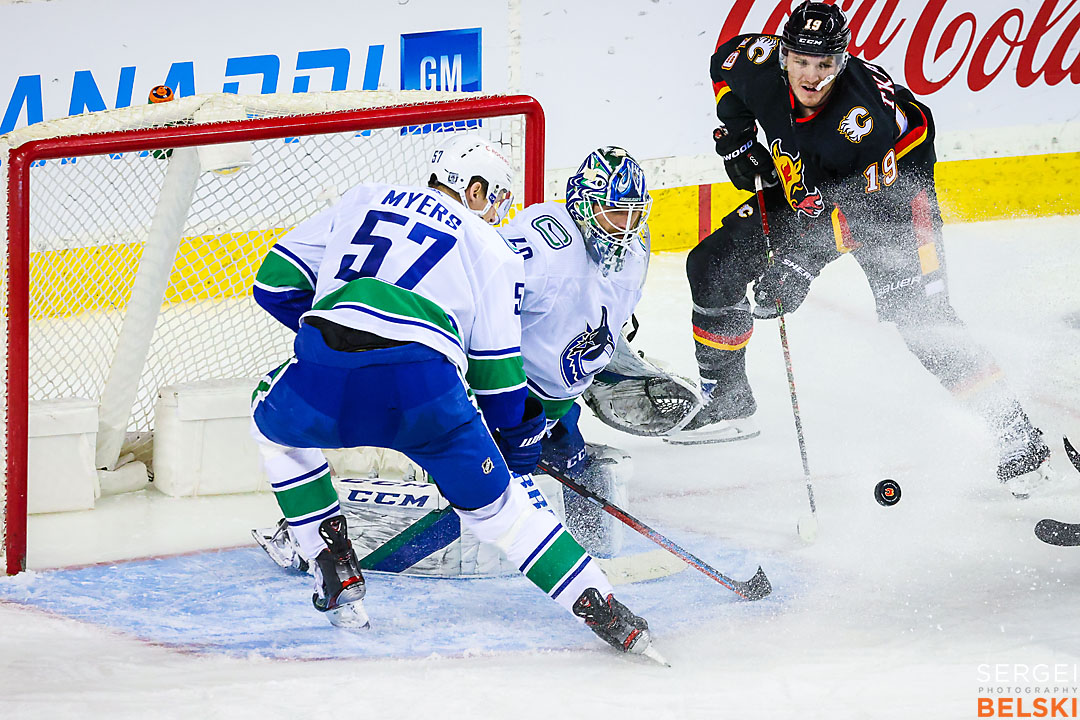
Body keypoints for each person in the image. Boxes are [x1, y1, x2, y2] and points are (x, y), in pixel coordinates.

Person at [248, 132, 654, 655]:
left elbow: (274, 283)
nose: (498, 213)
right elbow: (499, 379)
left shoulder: (361, 197)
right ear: (477, 190)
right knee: (505, 514)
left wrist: (330, 325)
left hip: (325, 369)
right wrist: (518, 440)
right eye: (498, 200)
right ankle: (605, 610)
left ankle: (333, 561)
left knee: (274, 429)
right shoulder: (490, 248)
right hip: (427, 390)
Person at [676, 1, 1056, 497]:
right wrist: (739, 136)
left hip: (894, 196)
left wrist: (798, 264)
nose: (812, 77)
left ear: (844, 60)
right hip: (818, 179)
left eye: (827, 64)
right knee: (713, 263)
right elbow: (724, 66)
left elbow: (861, 215)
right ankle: (727, 398)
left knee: (923, 320)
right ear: (783, 55)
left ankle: (1017, 435)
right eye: (803, 62)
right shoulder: (758, 62)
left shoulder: (860, 122)